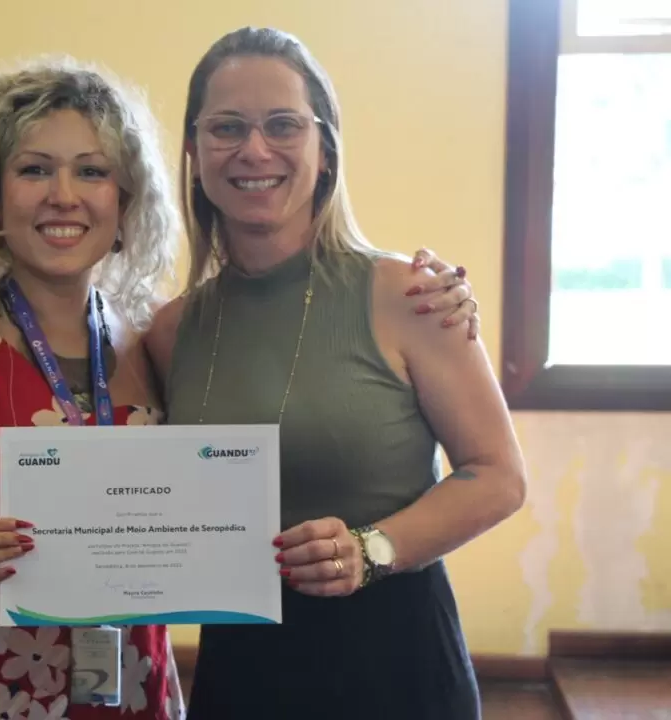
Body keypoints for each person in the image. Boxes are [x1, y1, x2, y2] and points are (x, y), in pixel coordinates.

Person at [0, 56, 482, 720]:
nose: (64, 195)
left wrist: (444, 295)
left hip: (132, 692)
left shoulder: (147, 341)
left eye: (92, 171)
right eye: (33, 169)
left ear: (125, 200)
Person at [145, 27, 525, 719]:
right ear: (194, 153)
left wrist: (372, 549)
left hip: (396, 664)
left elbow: (500, 476)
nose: (254, 149)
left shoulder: (411, 296)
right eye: (227, 126)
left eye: (283, 124)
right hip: (241, 667)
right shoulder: (172, 332)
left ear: (325, 150)